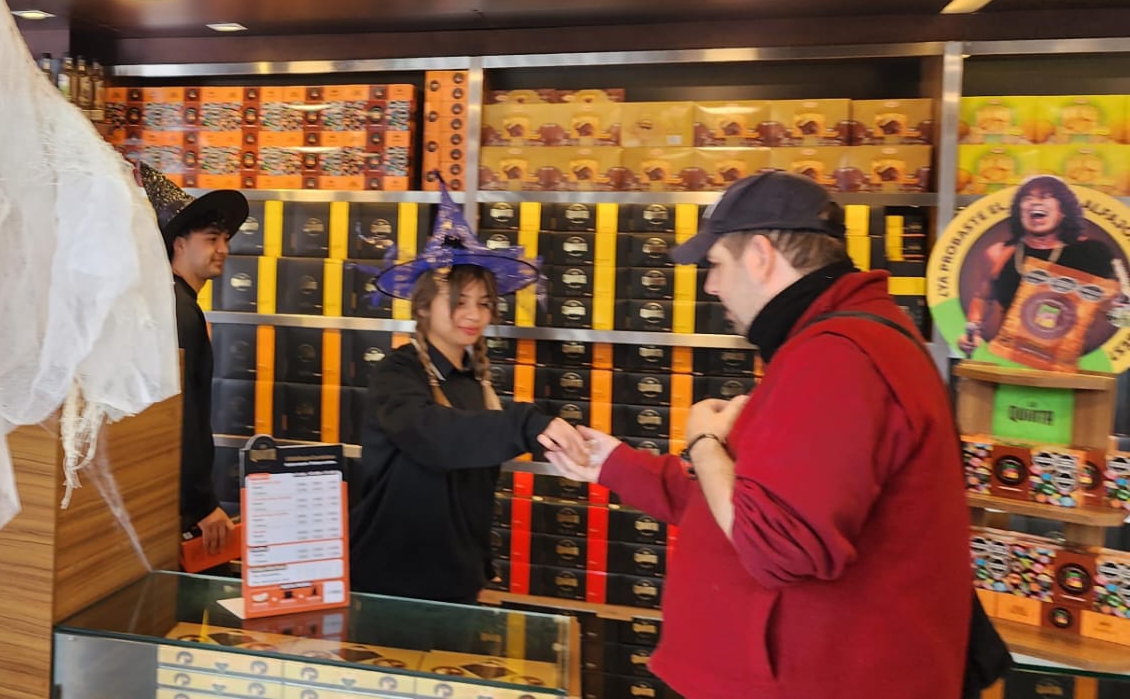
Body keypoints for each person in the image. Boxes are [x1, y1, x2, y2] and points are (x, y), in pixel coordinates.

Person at [545, 173, 970, 699]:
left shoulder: (836, 357)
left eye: (716, 264)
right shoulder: (840, 341)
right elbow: (748, 499)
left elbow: (776, 544)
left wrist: (704, 442)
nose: (711, 286)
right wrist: (612, 464)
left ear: (761, 256)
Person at [351, 177, 589, 604]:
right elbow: (435, 436)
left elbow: (473, 493)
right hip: (388, 586)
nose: (473, 315)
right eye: (459, 301)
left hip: (456, 585)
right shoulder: (397, 374)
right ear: (423, 306)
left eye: (483, 303)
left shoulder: (475, 382)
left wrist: (479, 565)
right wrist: (526, 423)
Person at [139, 164, 249, 556]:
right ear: (179, 244)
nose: (224, 249)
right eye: (211, 239)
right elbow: (180, 411)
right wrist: (201, 504)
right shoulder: (181, 311)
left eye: (225, 239)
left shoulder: (172, 302)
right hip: (178, 503)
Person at [960, 174, 1118, 355]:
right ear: (1019, 210)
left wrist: (1116, 304)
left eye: (1045, 196)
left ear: (1063, 210)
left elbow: (1118, 310)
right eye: (1027, 198)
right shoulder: (998, 253)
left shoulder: (1092, 253)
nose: (1035, 202)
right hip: (1009, 361)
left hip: (1071, 364)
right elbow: (982, 298)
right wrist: (973, 331)